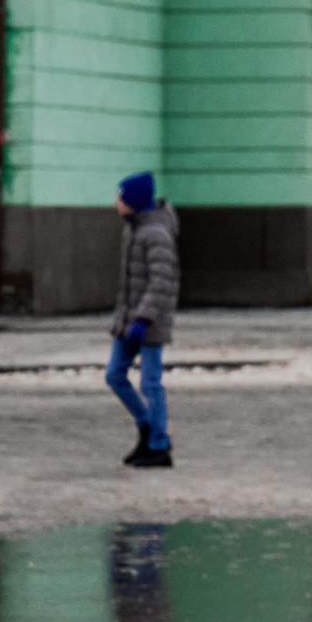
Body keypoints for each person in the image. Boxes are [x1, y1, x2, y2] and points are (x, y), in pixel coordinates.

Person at [107, 171, 179, 469]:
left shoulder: (156, 234)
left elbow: (161, 282)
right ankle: (148, 428)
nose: (116, 201)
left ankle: (158, 447)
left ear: (134, 201)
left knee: (150, 383)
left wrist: (143, 320)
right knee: (115, 375)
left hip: (149, 322)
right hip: (129, 320)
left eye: (121, 196)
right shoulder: (133, 229)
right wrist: (126, 319)